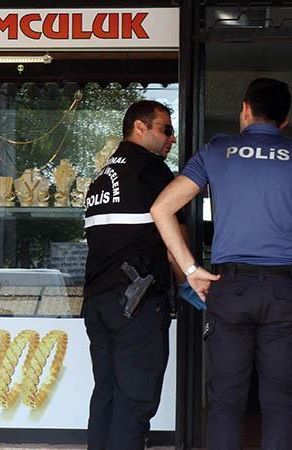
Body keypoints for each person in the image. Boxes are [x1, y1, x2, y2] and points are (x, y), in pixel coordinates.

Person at [150, 78, 292, 450]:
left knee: (225, 403)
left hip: (230, 287)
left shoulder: (216, 151)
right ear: (284, 121)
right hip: (285, 291)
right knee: (281, 404)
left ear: (245, 109)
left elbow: (161, 208)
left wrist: (190, 269)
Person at [83, 100, 184, 450]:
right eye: (166, 129)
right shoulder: (152, 171)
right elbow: (175, 241)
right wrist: (188, 281)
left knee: (106, 395)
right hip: (135, 303)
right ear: (140, 127)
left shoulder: (102, 177)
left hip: (98, 303)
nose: (172, 138)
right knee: (134, 401)